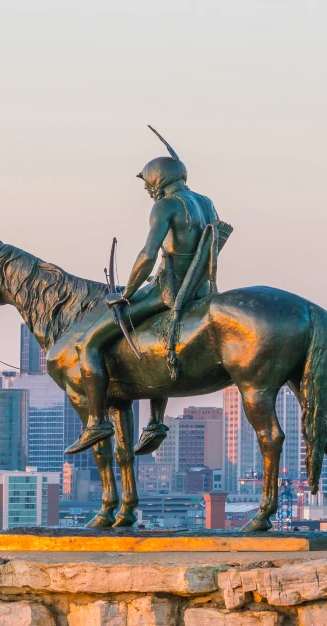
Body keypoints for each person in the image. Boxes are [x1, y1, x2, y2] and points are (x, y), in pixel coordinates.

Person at [66, 128, 229, 455]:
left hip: (167, 290)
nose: (145, 189)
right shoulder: (205, 203)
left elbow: (148, 254)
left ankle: (97, 421)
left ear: (158, 180)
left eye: (146, 183)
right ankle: (155, 421)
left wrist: (125, 293)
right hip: (202, 290)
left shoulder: (165, 206)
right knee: (151, 339)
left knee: (89, 343)